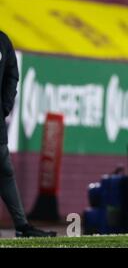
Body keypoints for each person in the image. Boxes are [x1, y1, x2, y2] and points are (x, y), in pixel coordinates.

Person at [0, 31, 56, 237]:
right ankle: (22, 225)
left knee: (5, 172)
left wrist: (4, 107)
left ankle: (22, 226)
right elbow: (12, 75)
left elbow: (12, 75)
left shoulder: (3, 41)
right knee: (5, 172)